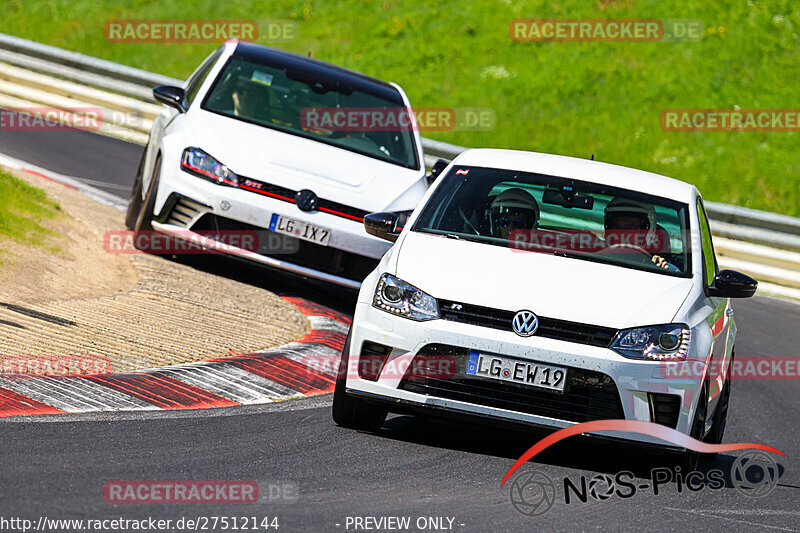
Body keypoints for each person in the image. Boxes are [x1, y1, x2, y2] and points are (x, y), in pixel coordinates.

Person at [603, 197, 675, 270]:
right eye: (617, 228)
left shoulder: (661, 266)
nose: (623, 234)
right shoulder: (597, 257)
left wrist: (658, 270)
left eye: (630, 228)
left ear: (647, 232)